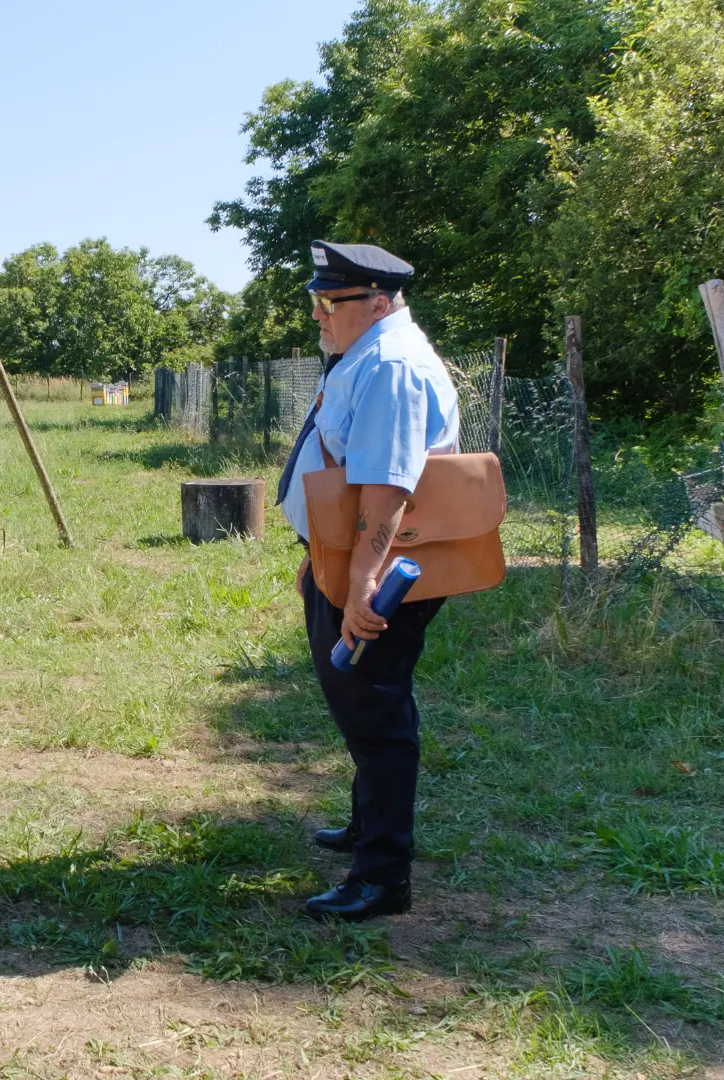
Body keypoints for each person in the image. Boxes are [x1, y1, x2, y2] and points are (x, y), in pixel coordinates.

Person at [275, 240, 460, 922]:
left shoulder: (391, 365)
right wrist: (319, 554)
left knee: (375, 711)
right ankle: (366, 827)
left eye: (332, 303)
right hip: (347, 557)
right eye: (315, 300)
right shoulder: (367, 355)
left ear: (378, 303)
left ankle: (382, 876)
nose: (318, 315)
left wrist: (361, 584)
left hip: (377, 570)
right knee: (361, 702)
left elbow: (386, 489)